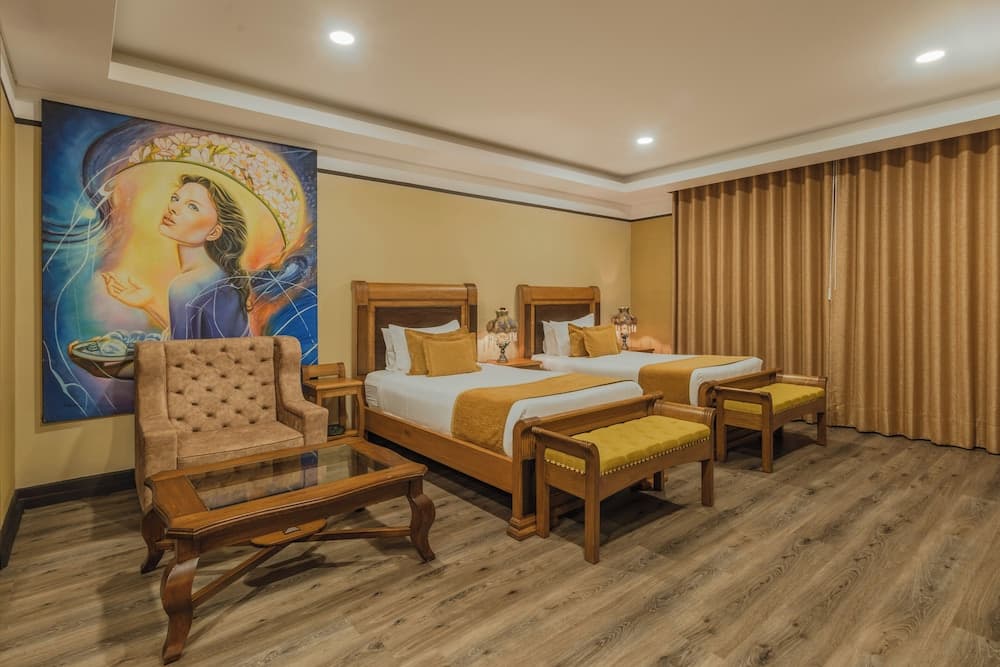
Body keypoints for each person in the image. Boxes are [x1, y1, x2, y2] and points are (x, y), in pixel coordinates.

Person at [103, 174, 251, 339]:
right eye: (175, 198)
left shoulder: (186, 285)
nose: (173, 208)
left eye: (192, 207)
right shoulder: (217, 275)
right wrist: (149, 303)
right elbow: (201, 340)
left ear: (214, 232)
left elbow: (181, 351)